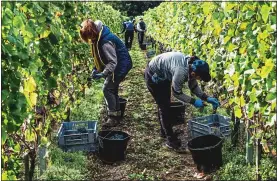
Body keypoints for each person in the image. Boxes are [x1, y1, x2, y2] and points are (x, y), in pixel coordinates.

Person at [144, 52, 220, 152]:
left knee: (165, 103)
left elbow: (193, 86)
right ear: (194, 73)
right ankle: (170, 140)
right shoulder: (181, 72)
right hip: (153, 75)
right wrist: (193, 101)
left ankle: (164, 132)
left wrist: (206, 98)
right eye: (200, 78)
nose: (199, 80)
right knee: (164, 106)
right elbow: (176, 93)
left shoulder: (191, 66)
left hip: (163, 74)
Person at [80, 19, 132, 127]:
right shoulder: (99, 37)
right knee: (112, 89)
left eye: (90, 37)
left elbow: (112, 62)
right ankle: (117, 115)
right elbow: (100, 57)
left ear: (93, 32)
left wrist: (103, 73)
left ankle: (113, 118)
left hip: (120, 66)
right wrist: (96, 68)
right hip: (119, 65)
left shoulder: (105, 41)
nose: (90, 40)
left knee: (107, 89)